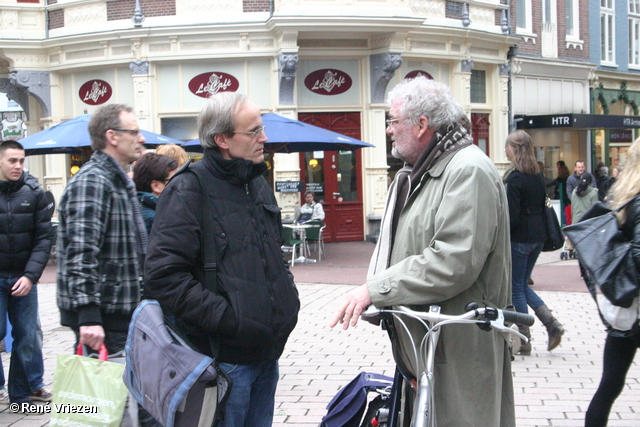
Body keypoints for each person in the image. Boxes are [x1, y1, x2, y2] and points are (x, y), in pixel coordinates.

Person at [330, 77, 515, 426]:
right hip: (431, 348)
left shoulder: (467, 171)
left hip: (458, 351)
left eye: (393, 121)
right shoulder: (426, 171)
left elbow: (453, 262)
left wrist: (375, 289)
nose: (388, 130)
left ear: (421, 125)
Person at [144, 92, 300, 427]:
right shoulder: (188, 189)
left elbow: (273, 253)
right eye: (254, 131)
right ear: (222, 139)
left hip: (267, 354)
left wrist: (288, 301)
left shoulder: (256, 183)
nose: (265, 138)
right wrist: (230, 321)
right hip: (222, 361)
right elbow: (163, 277)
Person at [56, 104, 160, 426]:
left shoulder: (116, 180)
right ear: (112, 136)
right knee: (105, 411)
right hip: (104, 319)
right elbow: (79, 253)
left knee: (138, 407)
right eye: (134, 132)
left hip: (124, 313)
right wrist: (88, 316)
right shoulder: (92, 182)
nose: (141, 138)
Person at [584, 138, 640, 427]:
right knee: (610, 385)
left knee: (610, 385)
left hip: (626, 307)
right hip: (635, 306)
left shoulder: (626, 197)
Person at [0, 140, 53, 406]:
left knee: (26, 337)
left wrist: (30, 276)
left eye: (21, 160)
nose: (18, 166)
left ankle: (20, 396)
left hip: (23, 279)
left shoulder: (33, 193)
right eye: (12, 160)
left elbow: (44, 238)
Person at [503, 130, 565, 355]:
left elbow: (512, 216)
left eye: (507, 147)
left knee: (515, 289)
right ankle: (551, 324)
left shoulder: (515, 177)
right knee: (520, 285)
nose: (504, 150)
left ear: (515, 149)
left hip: (519, 238)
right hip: (538, 238)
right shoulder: (538, 175)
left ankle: (523, 338)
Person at [133, 153, 179, 233]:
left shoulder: (135, 207)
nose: (180, 184)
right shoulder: (156, 219)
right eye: (175, 180)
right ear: (156, 186)